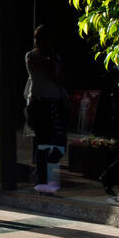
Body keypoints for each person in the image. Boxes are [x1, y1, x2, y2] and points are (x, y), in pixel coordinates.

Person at [25, 25, 70, 194]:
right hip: (40, 104)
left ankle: (45, 175)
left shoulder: (55, 57)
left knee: (59, 144)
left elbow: (61, 76)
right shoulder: (32, 56)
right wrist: (52, 60)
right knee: (43, 143)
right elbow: (50, 71)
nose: (40, 42)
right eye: (38, 38)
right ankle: (43, 178)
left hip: (55, 104)